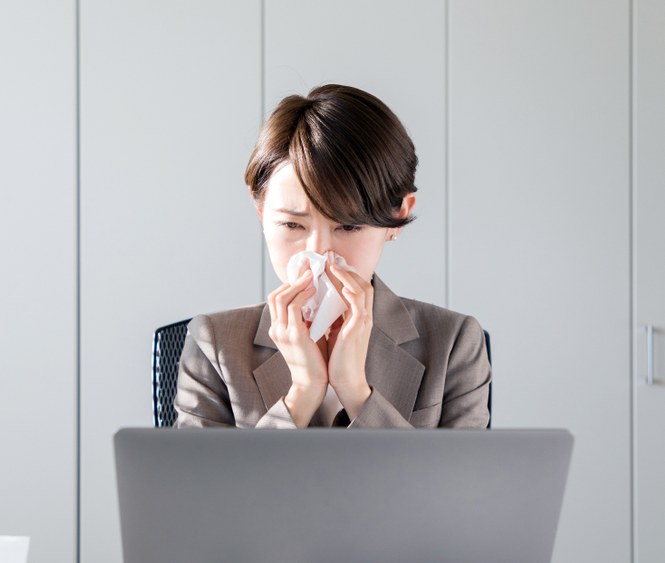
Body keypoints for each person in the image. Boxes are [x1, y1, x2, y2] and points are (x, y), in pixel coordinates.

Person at [174, 84, 491, 429]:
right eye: (293, 224)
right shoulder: (214, 344)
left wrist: (356, 391)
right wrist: (302, 395)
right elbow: (205, 484)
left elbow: (451, 484)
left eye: (349, 227)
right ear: (261, 210)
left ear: (398, 216)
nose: (320, 253)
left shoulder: (453, 344)